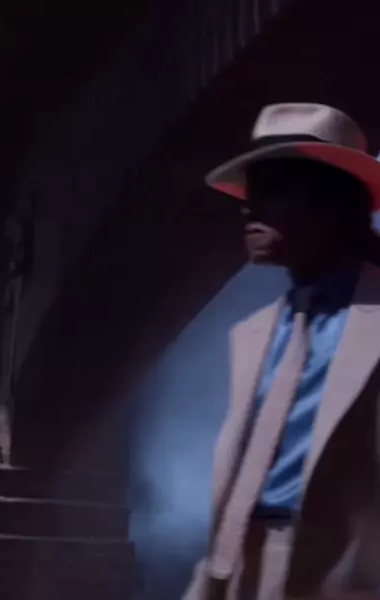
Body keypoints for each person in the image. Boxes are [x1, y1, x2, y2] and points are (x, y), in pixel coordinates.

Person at [182, 104, 380, 600]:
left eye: (271, 191)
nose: (248, 210)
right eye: (251, 195)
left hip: (344, 573)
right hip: (240, 570)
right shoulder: (252, 335)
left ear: (331, 203)